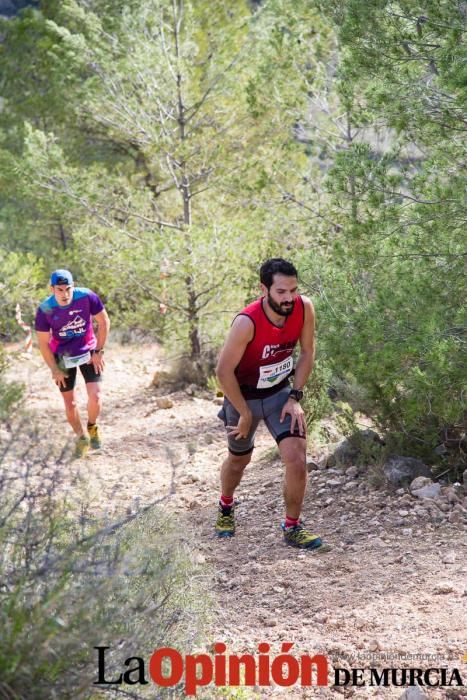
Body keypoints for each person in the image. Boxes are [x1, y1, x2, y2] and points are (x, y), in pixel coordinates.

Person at [215, 258, 330, 551]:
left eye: (293, 290)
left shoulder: (304, 308)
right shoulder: (247, 322)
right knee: (239, 460)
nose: (289, 298)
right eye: (281, 291)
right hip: (243, 396)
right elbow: (222, 372)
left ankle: (292, 527)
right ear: (263, 289)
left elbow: (307, 352)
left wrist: (296, 396)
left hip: (280, 392)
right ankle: (226, 505)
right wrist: (242, 411)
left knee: (297, 459)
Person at [35, 269, 110, 458]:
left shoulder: (86, 297)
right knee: (70, 402)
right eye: (59, 290)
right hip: (62, 356)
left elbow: (103, 321)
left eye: (68, 289)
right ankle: (81, 438)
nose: (64, 294)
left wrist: (99, 352)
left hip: (88, 351)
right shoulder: (45, 309)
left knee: (96, 396)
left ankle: (92, 426)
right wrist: (54, 369)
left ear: (73, 286)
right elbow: (43, 343)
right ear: (52, 289)